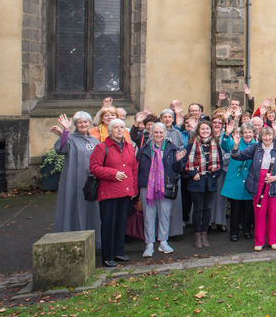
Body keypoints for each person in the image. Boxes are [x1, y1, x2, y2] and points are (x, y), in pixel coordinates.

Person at [89, 118, 138, 267]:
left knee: (121, 223)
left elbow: (133, 169)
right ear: (110, 131)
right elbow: (94, 167)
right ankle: (107, 256)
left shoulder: (129, 147)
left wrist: (134, 189)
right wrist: (113, 173)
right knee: (109, 224)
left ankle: (118, 252)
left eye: (121, 127)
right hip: (109, 192)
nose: (119, 130)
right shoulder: (102, 147)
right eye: (115, 127)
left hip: (125, 191)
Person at [232, 125, 276, 251]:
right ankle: (259, 241)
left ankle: (273, 240)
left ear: (273, 136)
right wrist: (236, 145)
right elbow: (237, 156)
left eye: (269, 135)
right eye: (265, 135)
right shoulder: (255, 148)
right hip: (258, 183)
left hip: (274, 183)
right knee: (259, 213)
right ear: (260, 137)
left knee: (273, 214)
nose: (267, 138)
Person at [50, 112, 101, 247]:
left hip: (93, 183)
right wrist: (65, 132)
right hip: (75, 181)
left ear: (89, 123)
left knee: (93, 210)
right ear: (76, 125)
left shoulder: (95, 141)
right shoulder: (70, 139)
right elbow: (61, 148)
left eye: (85, 122)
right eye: (80, 122)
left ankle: (94, 242)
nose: (83, 125)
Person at [136, 122, 186, 256]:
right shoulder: (144, 148)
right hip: (147, 186)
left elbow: (178, 169)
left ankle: (163, 241)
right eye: (156, 132)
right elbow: (138, 168)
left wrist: (178, 161)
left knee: (164, 214)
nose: (158, 135)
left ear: (165, 134)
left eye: (161, 133)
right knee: (149, 216)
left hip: (165, 186)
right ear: (151, 133)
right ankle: (149, 243)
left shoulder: (171, 148)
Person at [184, 120, 225, 249]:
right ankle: (197, 235)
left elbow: (220, 163)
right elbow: (186, 162)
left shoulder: (215, 143)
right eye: (202, 129)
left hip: (210, 180)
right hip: (196, 180)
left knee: (207, 209)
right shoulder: (192, 143)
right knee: (198, 209)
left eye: (207, 129)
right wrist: (193, 173)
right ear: (198, 130)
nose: (205, 131)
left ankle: (204, 234)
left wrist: (215, 175)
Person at [221, 122, 256, 241]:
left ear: (253, 133)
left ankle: (247, 231)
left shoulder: (256, 145)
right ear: (241, 134)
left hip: (249, 181)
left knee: (248, 209)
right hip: (236, 180)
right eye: (245, 132)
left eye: (250, 132)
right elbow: (225, 145)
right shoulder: (235, 142)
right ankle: (234, 233)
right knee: (235, 209)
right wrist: (227, 134)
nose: (247, 134)